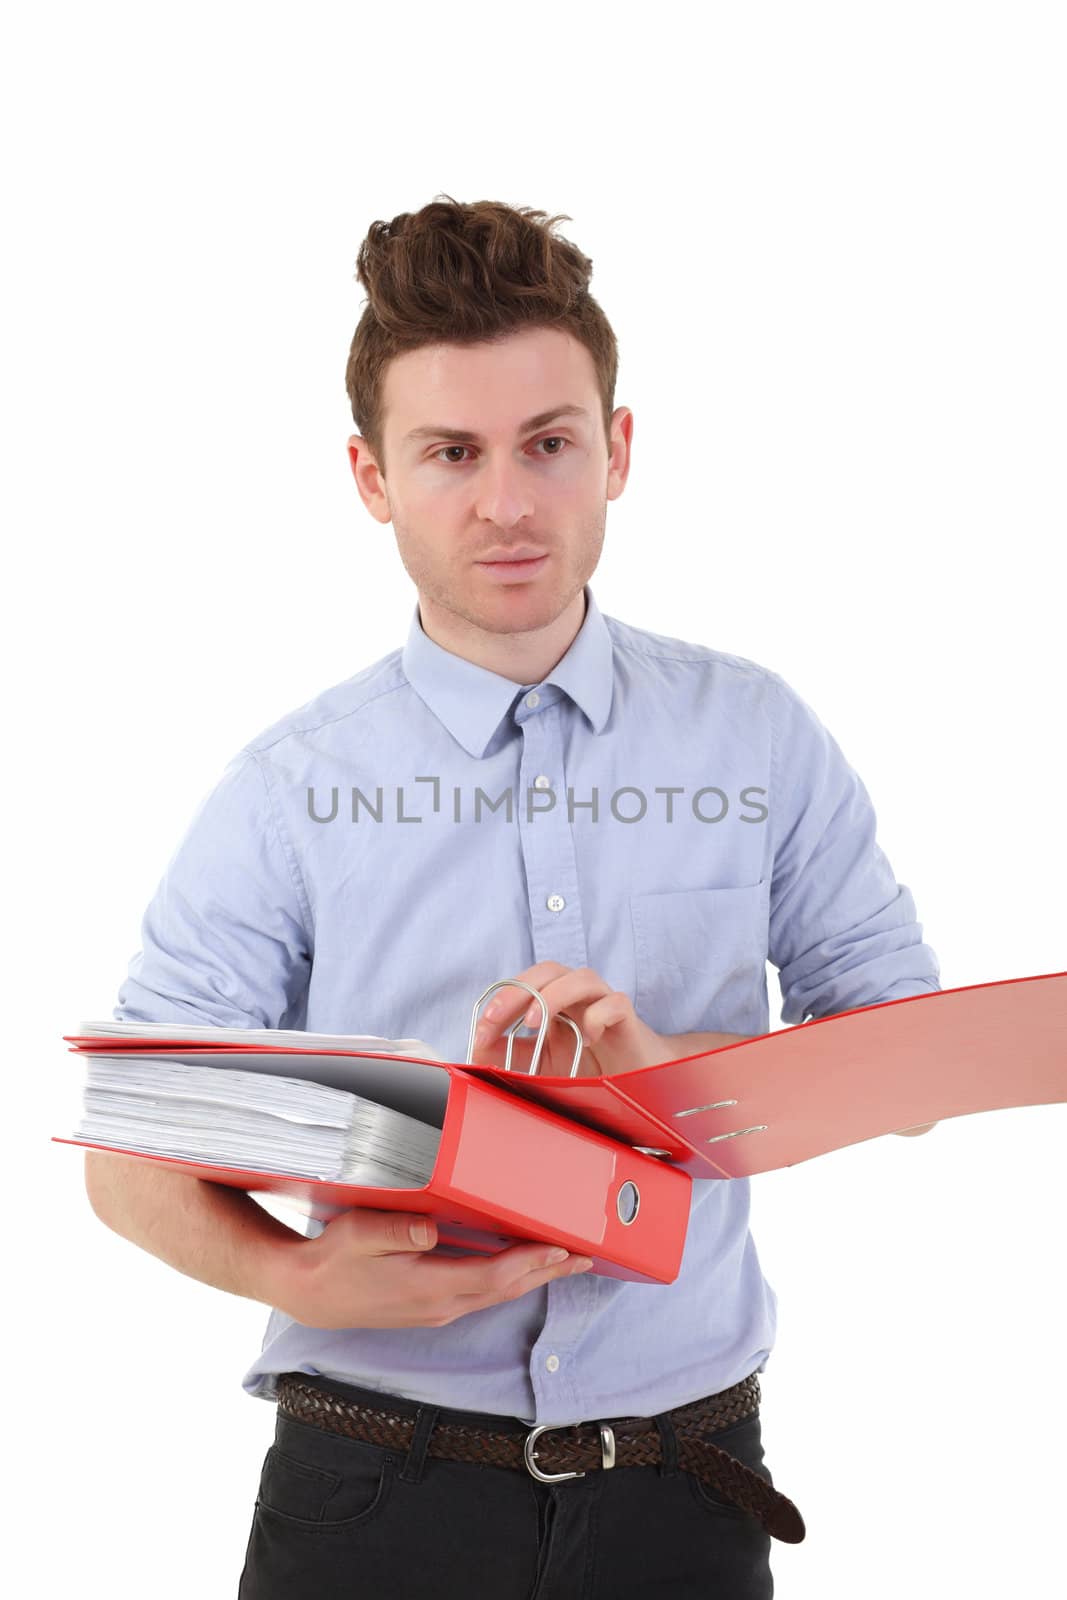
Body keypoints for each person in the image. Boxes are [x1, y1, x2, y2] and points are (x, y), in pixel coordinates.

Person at [83, 194, 940, 1599]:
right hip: (371, 1488)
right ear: (372, 477)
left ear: (617, 450)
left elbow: (907, 1058)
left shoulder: (757, 735)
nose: (506, 501)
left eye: (549, 444)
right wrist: (294, 1281)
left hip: (685, 1486)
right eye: (451, 454)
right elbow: (132, 1149)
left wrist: (672, 1079)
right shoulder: (284, 792)